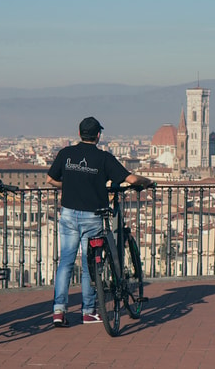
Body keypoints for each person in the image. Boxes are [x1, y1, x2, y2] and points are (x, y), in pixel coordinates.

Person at [47, 116, 154, 326]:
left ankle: (58, 311)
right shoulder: (103, 158)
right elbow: (131, 179)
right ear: (98, 136)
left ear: (79, 134)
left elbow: (50, 179)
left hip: (68, 214)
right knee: (89, 265)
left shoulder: (66, 154)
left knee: (65, 263)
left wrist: (68, 186)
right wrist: (147, 182)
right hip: (92, 217)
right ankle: (88, 311)